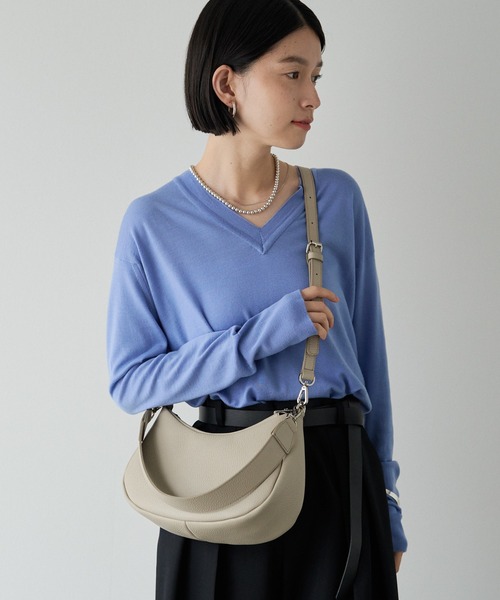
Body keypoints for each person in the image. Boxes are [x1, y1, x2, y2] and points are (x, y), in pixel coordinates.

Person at [107, 0, 407, 598]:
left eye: (316, 76)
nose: (312, 97)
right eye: (292, 73)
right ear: (227, 84)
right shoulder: (153, 223)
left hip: (342, 482)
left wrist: (389, 503)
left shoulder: (337, 199)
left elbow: (371, 364)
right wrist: (262, 336)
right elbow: (131, 383)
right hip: (222, 487)